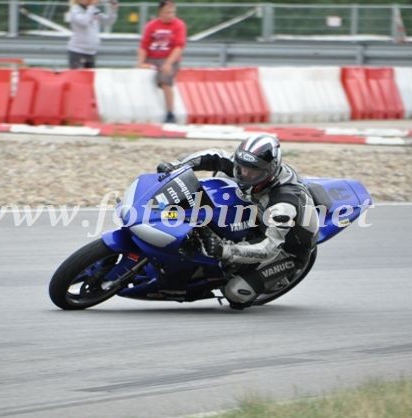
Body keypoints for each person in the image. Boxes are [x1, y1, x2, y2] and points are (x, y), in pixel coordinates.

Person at [157, 134, 319, 309]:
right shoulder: (248, 166)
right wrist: (176, 166)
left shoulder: (283, 205)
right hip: (258, 214)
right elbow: (215, 156)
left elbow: (269, 249)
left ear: (269, 172)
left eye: (253, 172)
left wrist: (224, 250)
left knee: (235, 293)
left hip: (285, 247)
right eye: (241, 168)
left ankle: (259, 276)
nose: (245, 174)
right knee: (219, 179)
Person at [137, 0, 186, 123]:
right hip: (152, 58)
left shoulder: (179, 25)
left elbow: (179, 47)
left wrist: (168, 63)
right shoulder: (151, 25)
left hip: (169, 58)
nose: (170, 15)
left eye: (172, 12)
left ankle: (170, 113)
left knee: (165, 80)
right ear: (160, 12)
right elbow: (144, 45)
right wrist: (140, 63)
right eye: (167, 12)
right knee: (141, 76)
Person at [67, 0, 118, 69]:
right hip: (78, 51)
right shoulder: (75, 10)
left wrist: (113, 10)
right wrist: (92, 6)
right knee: (79, 75)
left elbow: (108, 22)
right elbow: (84, 21)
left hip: (91, 52)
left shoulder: (94, 10)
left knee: (90, 75)